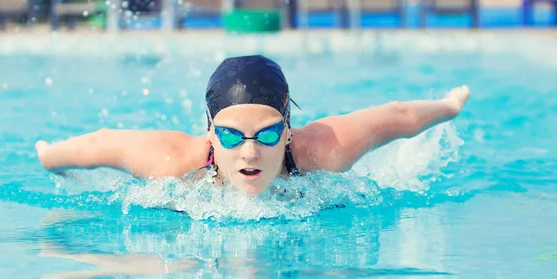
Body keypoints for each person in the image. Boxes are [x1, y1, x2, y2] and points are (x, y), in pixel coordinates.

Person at [36, 54, 470, 196]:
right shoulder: (175, 163)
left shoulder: (322, 150)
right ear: (210, 134)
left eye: (266, 134)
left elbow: (399, 118)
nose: (249, 153)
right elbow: (100, 145)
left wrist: (449, 106)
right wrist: (50, 158)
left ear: (288, 130)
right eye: (229, 135)